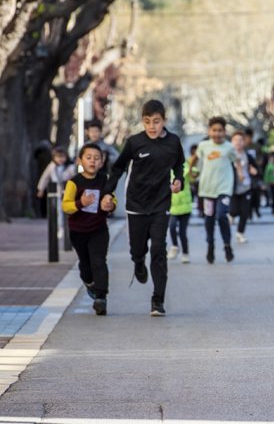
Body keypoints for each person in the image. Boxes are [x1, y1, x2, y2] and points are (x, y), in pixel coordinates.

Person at [102, 99, 185, 317]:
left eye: (156, 121)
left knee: (158, 249)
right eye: (147, 122)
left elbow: (179, 165)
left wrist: (179, 180)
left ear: (164, 120)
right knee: (138, 250)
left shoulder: (173, 142)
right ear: (142, 121)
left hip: (161, 203)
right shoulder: (134, 142)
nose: (152, 126)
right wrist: (108, 192)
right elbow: (118, 168)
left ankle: (158, 301)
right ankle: (138, 262)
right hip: (136, 205)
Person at [62, 143, 116, 315]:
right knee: (85, 265)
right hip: (78, 231)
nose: (92, 161)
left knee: (99, 261)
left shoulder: (105, 180)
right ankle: (88, 282)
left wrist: (110, 205)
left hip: (98, 229)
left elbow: (112, 199)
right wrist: (81, 203)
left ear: (102, 162)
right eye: (88, 157)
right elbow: (66, 206)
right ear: (80, 160)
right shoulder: (74, 183)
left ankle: (101, 298)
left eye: (96, 158)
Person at [190, 117, 244, 264]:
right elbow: (195, 158)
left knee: (221, 215)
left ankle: (227, 245)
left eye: (220, 130)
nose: (217, 133)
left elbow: (237, 160)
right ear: (209, 131)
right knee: (209, 219)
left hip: (224, 188)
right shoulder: (203, 146)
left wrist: (240, 172)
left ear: (224, 132)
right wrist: (191, 170)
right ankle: (210, 245)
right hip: (207, 189)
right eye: (214, 130)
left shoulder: (229, 147)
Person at [230, 131, 258, 244]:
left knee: (245, 212)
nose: (238, 142)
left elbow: (256, 169)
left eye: (241, 140)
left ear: (244, 142)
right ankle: (231, 215)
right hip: (232, 188)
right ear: (231, 142)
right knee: (234, 210)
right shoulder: (229, 156)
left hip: (246, 187)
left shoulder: (248, 156)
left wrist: (254, 171)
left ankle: (240, 233)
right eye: (236, 140)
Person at [168, 156, 193, 264]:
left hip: (185, 206)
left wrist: (192, 171)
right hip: (172, 205)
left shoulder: (185, 165)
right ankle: (174, 246)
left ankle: (185, 253)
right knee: (172, 226)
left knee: (183, 232)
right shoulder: (165, 167)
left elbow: (193, 172)